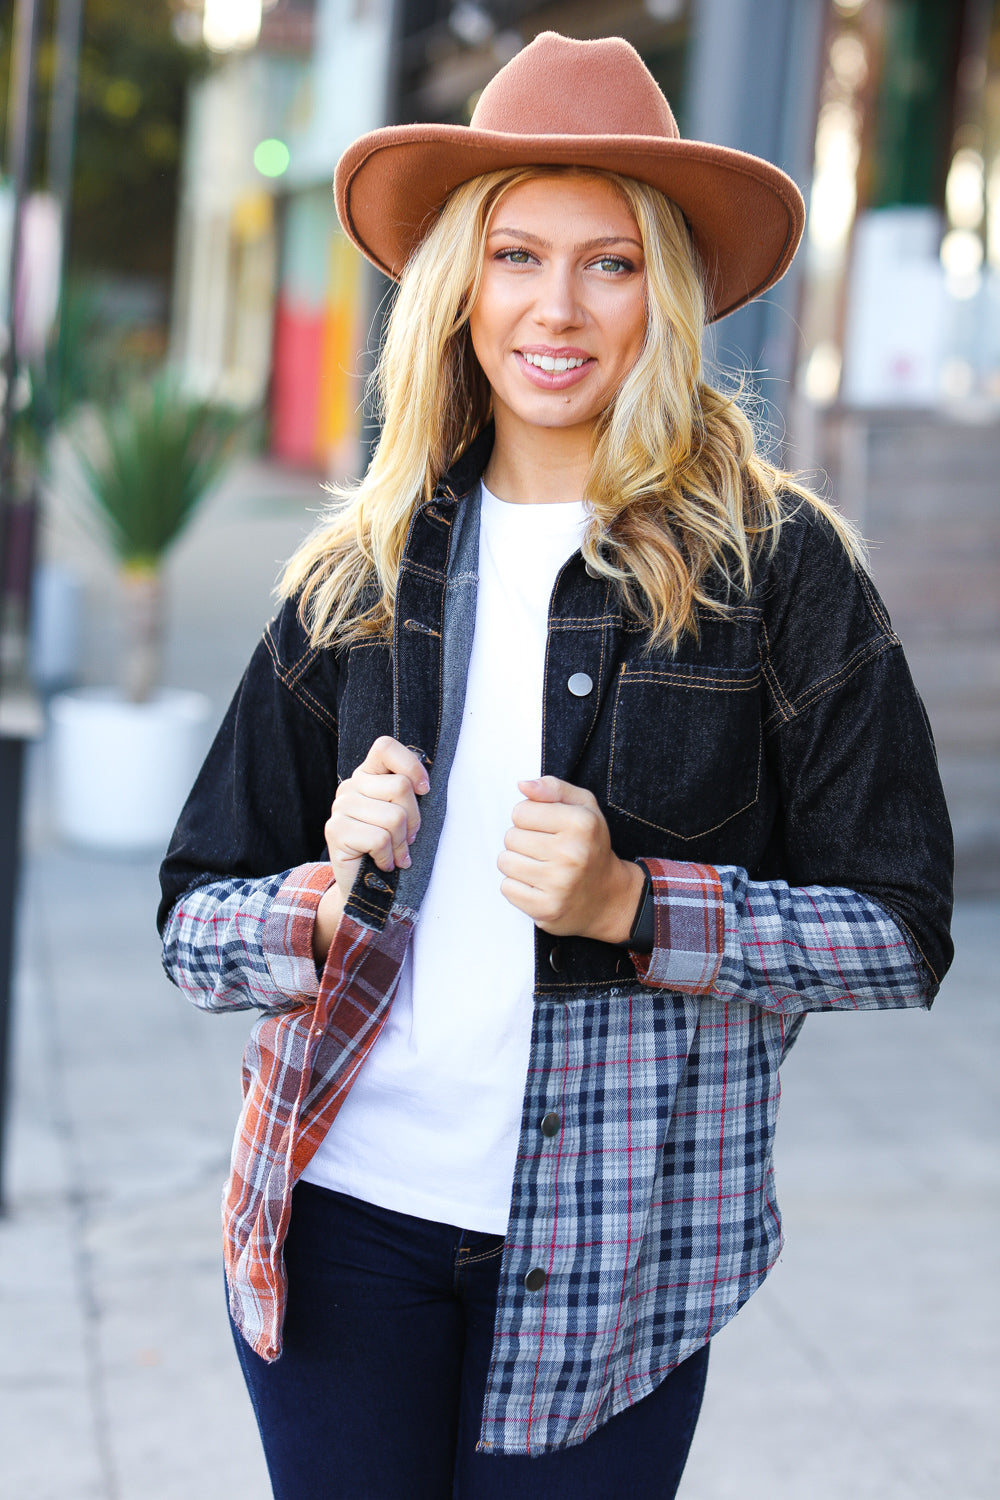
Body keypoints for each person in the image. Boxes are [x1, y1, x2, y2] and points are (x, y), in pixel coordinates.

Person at [158, 31, 953, 1500]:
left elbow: (901, 933)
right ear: (461, 286)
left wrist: (639, 907)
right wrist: (319, 904)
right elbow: (194, 923)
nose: (558, 308)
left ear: (673, 291)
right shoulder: (362, 571)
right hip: (338, 1227)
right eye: (517, 254)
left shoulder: (780, 572)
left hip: (616, 1260)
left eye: (612, 263)